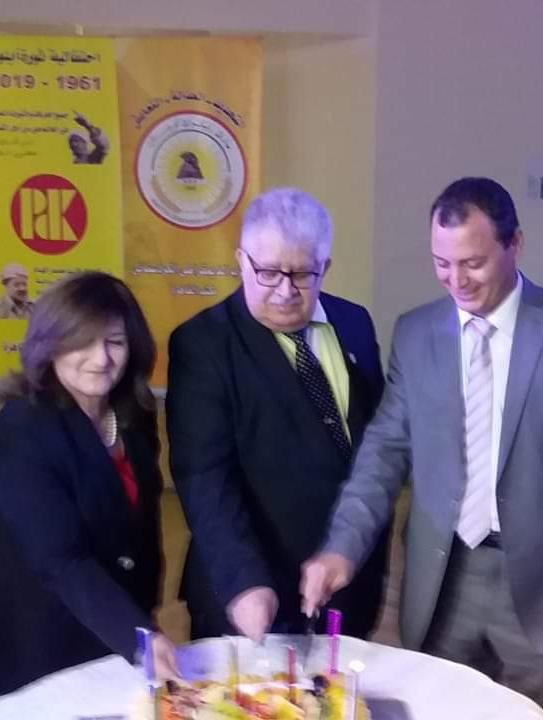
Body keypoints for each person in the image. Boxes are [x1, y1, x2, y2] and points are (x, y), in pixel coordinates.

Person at [301, 177, 543, 720]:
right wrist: (342, 546)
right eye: (442, 263)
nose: (456, 280)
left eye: (473, 263)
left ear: (515, 244)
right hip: (444, 582)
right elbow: (384, 453)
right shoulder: (417, 333)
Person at [0, 272, 179, 713]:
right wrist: (137, 635)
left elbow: (141, 531)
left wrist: (144, 616)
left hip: (97, 625)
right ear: (49, 345)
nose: (100, 358)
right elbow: (59, 559)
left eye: (115, 342)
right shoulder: (23, 427)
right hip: (14, 635)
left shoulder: (133, 415)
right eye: (82, 342)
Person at [166, 188, 387, 642]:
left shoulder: (355, 323)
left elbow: (375, 445)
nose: (285, 291)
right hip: (253, 590)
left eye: (302, 274)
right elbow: (204, 478)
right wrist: (243, 581)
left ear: (325, 266)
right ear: (241, 261)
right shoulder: (203, 343)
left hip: (347, 582)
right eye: (267, 272)